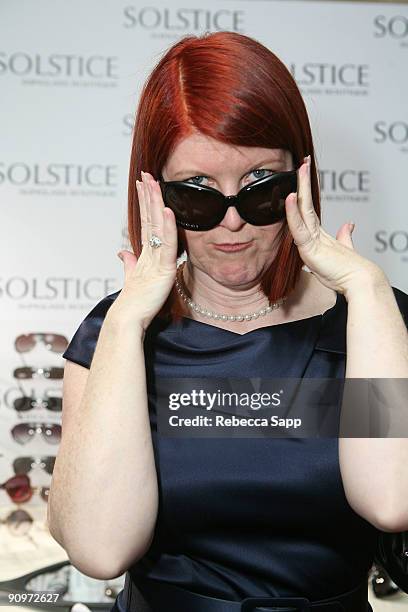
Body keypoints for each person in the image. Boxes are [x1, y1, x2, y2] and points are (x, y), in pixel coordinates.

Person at [47, 31, 408, 612]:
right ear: (154, 193)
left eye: (261, 188)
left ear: (303, 177)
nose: (233, 222)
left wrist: (365, 288)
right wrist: (125, 323)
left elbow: (391, 498)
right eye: (198, 196)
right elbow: (99, 548)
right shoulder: (117, 335)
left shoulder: (370, 322)